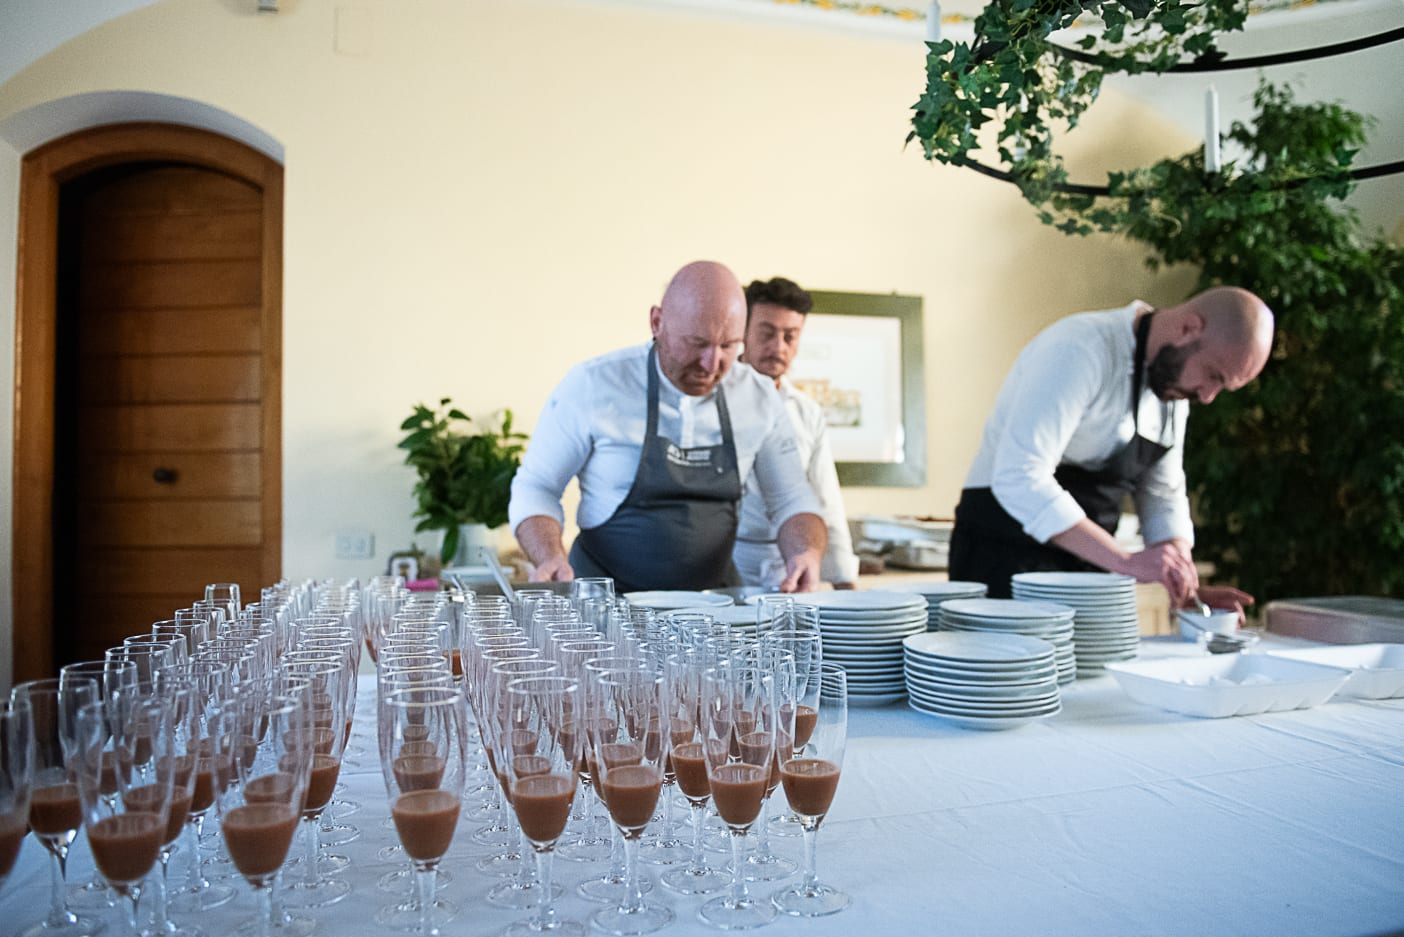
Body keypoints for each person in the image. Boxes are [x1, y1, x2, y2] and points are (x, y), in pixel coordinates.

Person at [508, 260, 828, 594]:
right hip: (603, 605)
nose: (712, 363)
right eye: (697, 343)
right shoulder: (593, 386)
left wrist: (805, 552)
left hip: (713, 609)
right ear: (657, 322)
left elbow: (792, 498)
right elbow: (537, 486)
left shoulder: (757, 397)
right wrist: (549, 556)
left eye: (729, 346)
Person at [947, 287, 1275, 612]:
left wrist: (1184, 584)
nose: (1207, 396)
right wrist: (1126, 560)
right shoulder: (1079, 348)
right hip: (1001, 554)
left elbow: (1161, 492)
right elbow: (1019, 476)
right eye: (1213, 375)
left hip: (1086, 569)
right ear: (1188, 328)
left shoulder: (1175, 391)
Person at [732, 276, 860, 590]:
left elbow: (825, 498)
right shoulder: (714, 398)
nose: (778, 347)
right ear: (742, 332)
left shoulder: (807, 412)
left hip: (787, 566)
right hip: (727, 560)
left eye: (790, 336)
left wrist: (844, 580)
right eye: (767, 333)